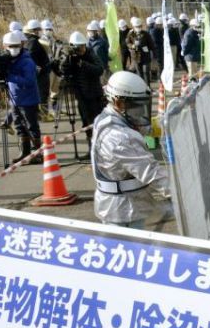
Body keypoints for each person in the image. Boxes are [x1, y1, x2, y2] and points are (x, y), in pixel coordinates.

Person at [91, 71, 169, 229]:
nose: (141, 111)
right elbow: (152, 173)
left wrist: (174, 120)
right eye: (136, 106)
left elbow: (142, 126)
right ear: (119, 102)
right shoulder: (121, 138)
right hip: (124, 210)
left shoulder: (107, 117)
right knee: (129, 249)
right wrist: (186, 195)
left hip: (121, 204)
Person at [55, 31, 104, 151]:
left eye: (82, 46)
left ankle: (98, 149)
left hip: (94, 94)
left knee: (95, 122)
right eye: (77, 47)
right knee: (86, 122)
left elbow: (99, 70)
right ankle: (91, 149)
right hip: (80, 95)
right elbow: (62, 71)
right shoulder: (69, 56)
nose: (80, 50)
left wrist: (82, 63)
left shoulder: (90, 54)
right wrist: (64, 60)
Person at [3, 30, 43, 164]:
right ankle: (25, 153)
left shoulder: (26, 61)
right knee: (19, 126)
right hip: (15, 99)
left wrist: (10, 76)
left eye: (16, 46)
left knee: (31, 126)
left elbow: (29, 81)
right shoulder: (8, 59)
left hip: (28, 99)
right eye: (10, 46)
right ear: (5, 46)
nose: (13, 49)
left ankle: (38, 153)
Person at [23, 19, 53, 121]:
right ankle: (44, 115)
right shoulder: (33, 42)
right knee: (43, 94)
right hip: (41, 74)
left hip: (40, 72)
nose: (40, 31)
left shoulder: (30, 41)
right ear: (34, 31)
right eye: (38, 29)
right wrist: (37, 67)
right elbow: (31, 56)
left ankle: (40, 114)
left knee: (40, 94)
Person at [125, 17, 154, 85]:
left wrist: (150, 50)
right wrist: (132, 46)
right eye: (137, 26)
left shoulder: (146, 34)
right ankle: (142, 87)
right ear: (134, 26)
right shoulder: (130, 34)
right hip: (136, 57)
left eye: (139, 26)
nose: (138, 27)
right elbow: (127, 42)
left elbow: (151, 44)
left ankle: (148, 87)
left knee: (146, 72)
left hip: (145, 56)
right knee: (139, 73)